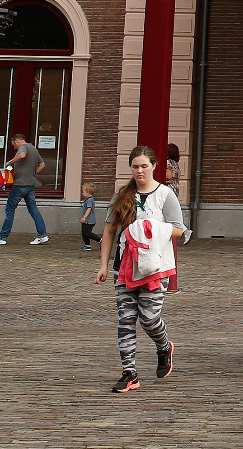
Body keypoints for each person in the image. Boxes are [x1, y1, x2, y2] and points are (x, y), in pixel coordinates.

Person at [95, 145, 186, 393]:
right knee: (126, 320)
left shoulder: (166, 195)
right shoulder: (121, 196)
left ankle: (164, 346)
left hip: (156, 267)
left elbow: (182, 230)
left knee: (148, 317)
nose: (140, 171)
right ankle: (129, 372)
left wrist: (153, 228)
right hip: (123, 267)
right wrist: (103, 265)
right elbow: (109, 231)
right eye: (135, 166)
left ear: (154, 166)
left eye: (144, 166)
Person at [0, 133, 48, 246]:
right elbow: (42, 164)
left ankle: (2, 237)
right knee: (34, 211)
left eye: (13, 144)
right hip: (30, 185)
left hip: (19, 185)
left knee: (10, 210)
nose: (14, 147)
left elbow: (22, 155)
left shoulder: (24, 147)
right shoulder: (34, 149)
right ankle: (42, 235)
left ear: (17, 141)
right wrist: (32, 174)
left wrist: (10, 162)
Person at [79, 182, 98, 250]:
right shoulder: (88, 200)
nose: (82, 193)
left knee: (88, 233)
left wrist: (84, 217)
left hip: (89, 221)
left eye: (83, 192)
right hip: (87, 221)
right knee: (84, 233)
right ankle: (87, 245)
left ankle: (100, 240)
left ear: (88, 192)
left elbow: (89, 209)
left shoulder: (89, 200)